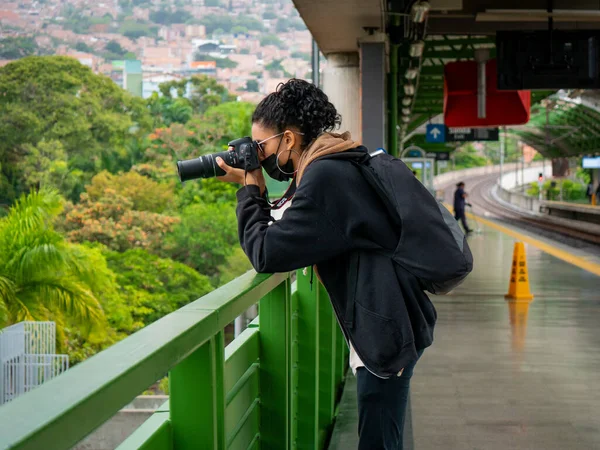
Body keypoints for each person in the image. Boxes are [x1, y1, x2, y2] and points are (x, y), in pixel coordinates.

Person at [215, 79, 436, 450]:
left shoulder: (324, 176)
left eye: (260, 147)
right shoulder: (334, 161)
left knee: (379, 442)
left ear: (288, 139)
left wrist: (250, 187)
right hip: (392, 318)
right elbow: (297, 226)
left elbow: (266, 253)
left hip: (384, 329)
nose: (259, 157)